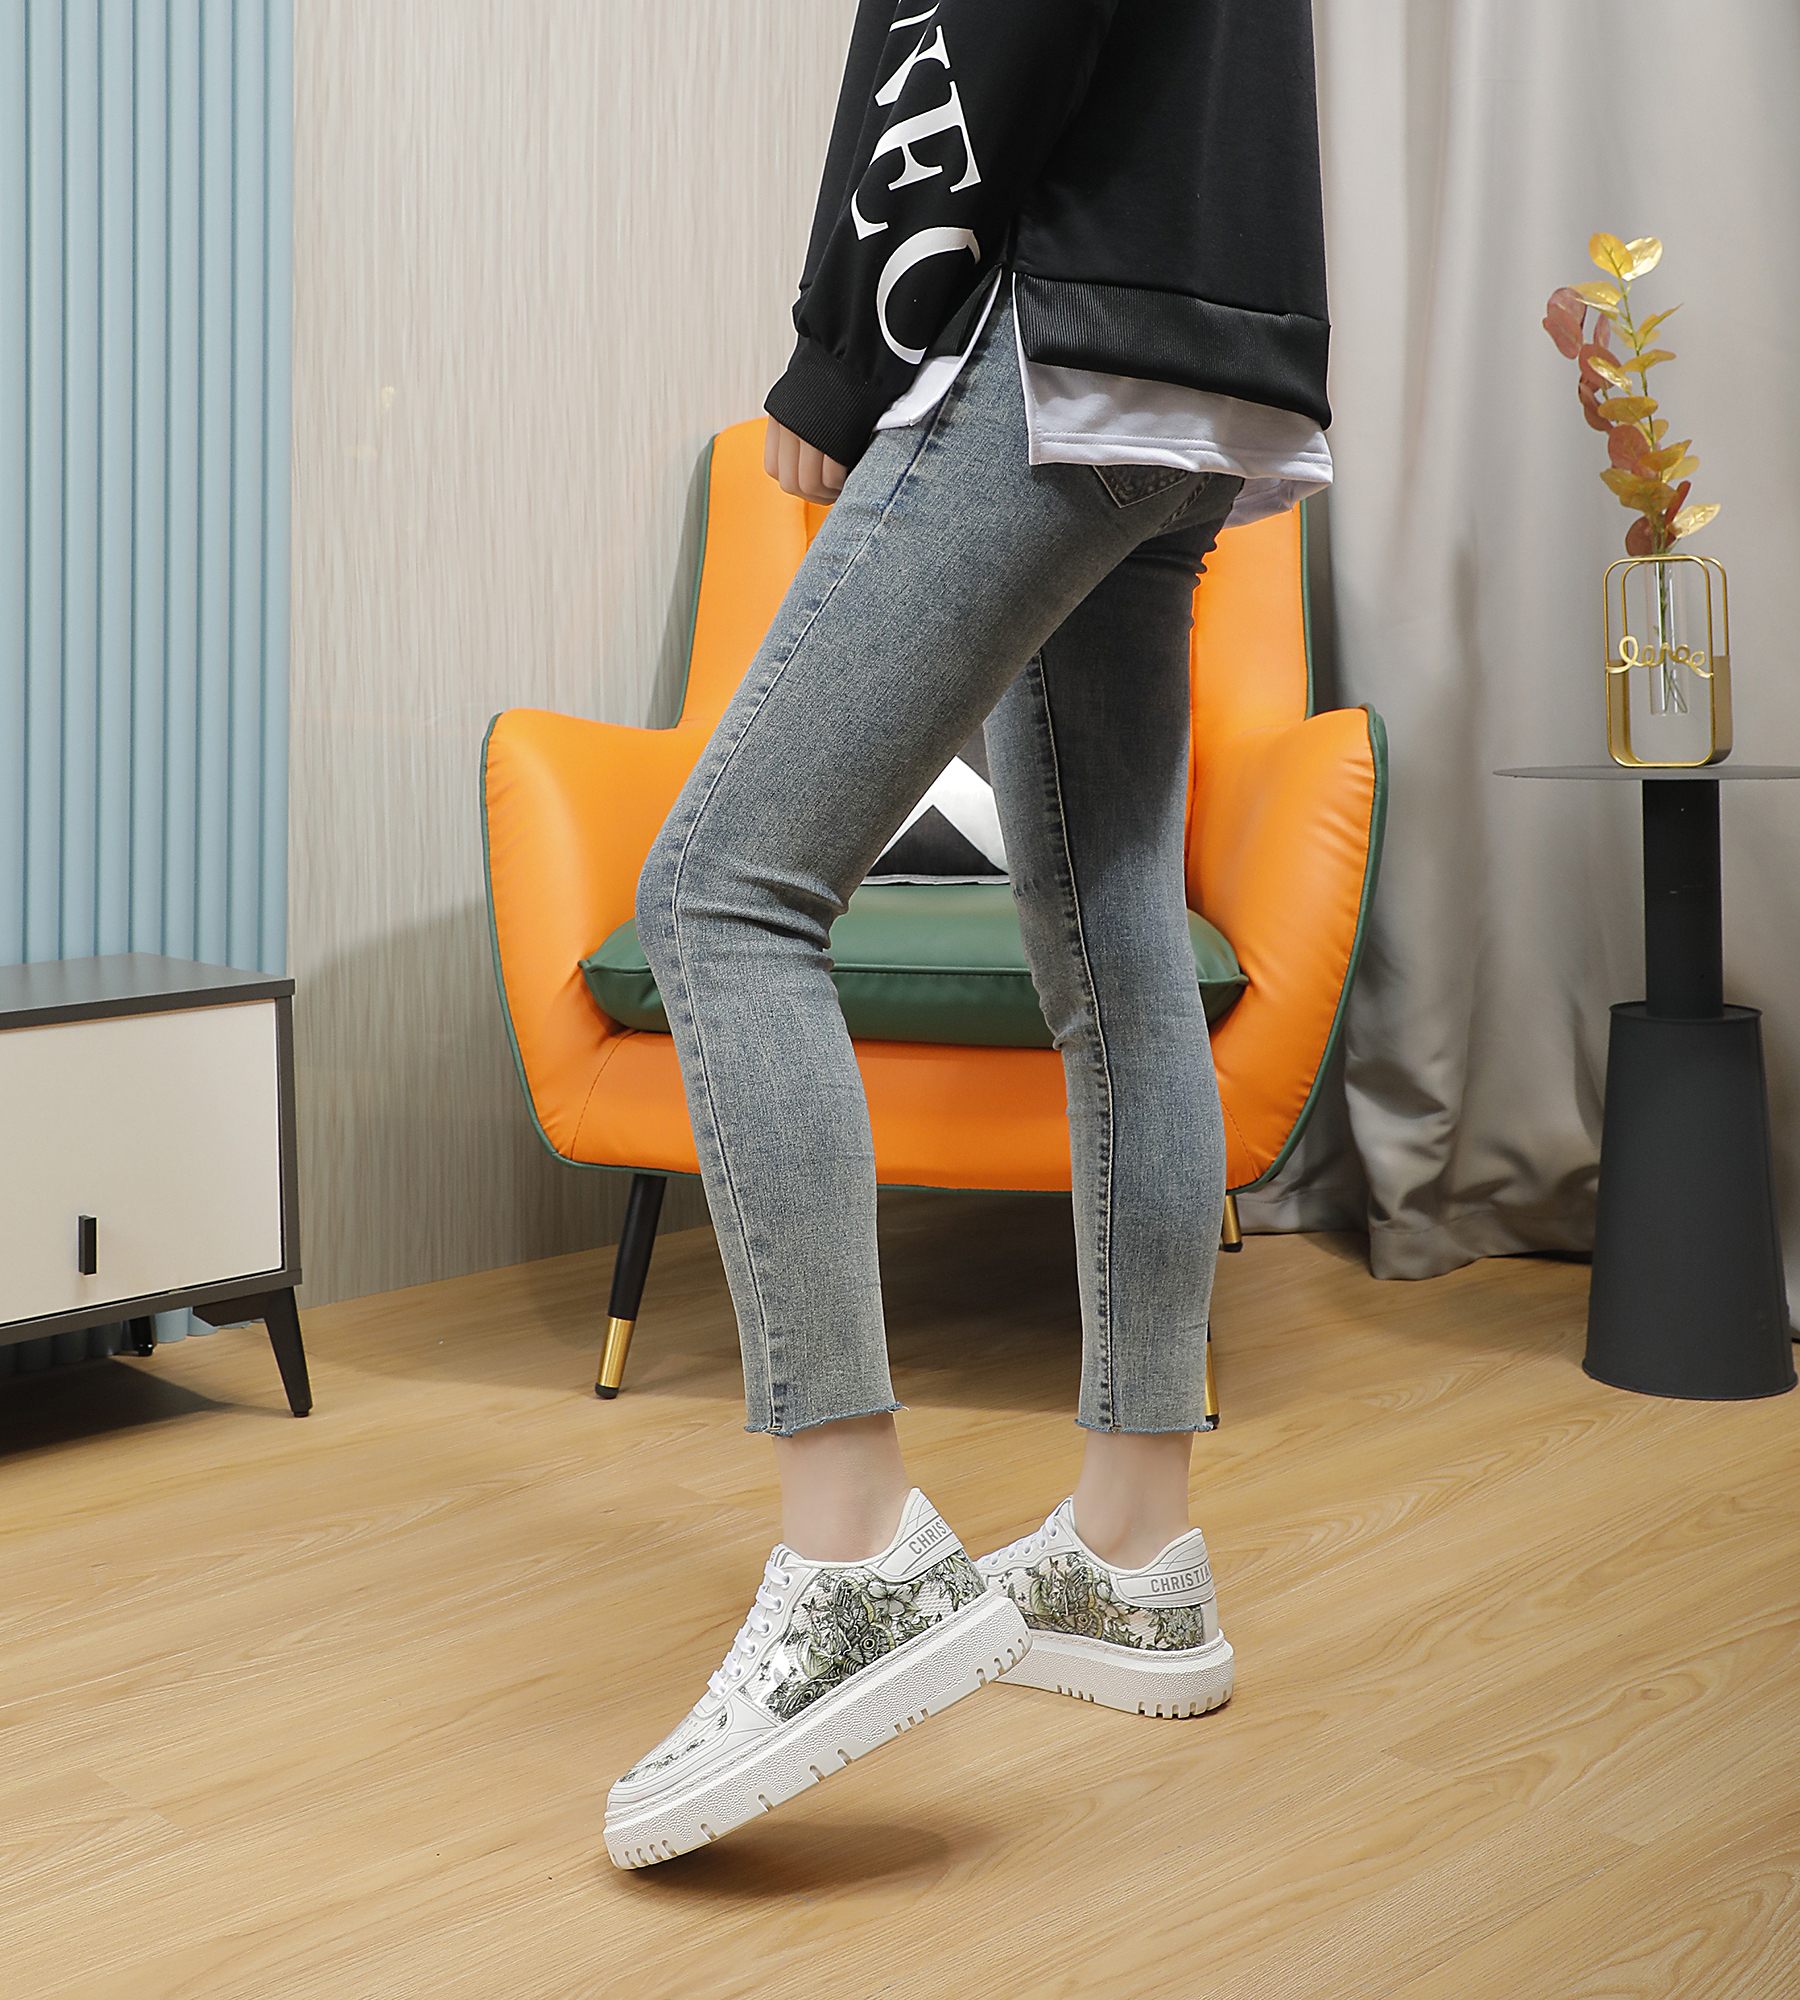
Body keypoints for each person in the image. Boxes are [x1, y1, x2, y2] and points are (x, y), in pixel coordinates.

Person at [604, 0, 1332, 1871]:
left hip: (1051, 328)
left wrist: (843, 351)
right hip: (1213, 353)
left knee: (721, 893)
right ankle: (1133, 1554)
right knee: (1117, 933)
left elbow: (975, 24)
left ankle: (854, 1553)